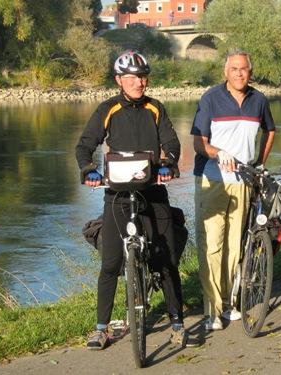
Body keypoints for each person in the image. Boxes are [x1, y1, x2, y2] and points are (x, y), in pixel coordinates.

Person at [76, 51, 198, 350]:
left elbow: (171, 142)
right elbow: (85, 145)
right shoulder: (109, 108)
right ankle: (101, 328)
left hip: (153, 189)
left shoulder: (156, 108)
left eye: (142, 77)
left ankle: (177, 325)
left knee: (166, 262)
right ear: (119, 80)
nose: (138, 83)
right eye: (131, 78)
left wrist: (169, 163)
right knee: (110, 264)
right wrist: (88, 169)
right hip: (117, 194)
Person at [191, 50, 276, 331]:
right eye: (234, 69)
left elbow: (270, 130)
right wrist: (218, 153)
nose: (239, 74)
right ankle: (211, 310)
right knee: (212, 245)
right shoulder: (211, 99)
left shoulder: (258, 100)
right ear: (225, 72)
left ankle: (228, 304)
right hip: (213, 180)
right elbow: (199, 143)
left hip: (244, 182)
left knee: (234, 246)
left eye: (244, 69)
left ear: (250, 72)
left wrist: (260, 164)